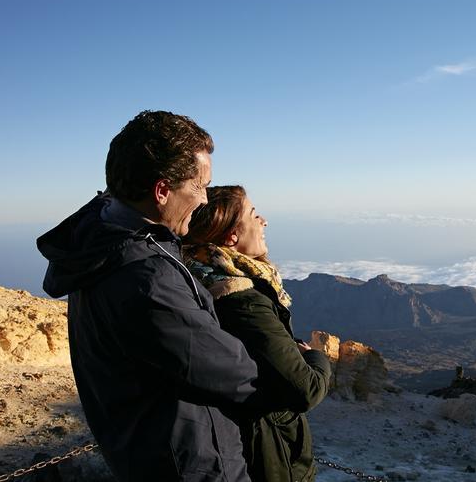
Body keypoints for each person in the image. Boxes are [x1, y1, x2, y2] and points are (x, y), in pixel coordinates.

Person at [37, 111, 260, 481]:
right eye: (201, 185)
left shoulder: (103, 246)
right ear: (161, 191)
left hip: (149, 456)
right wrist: (294, 367)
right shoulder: (143, 276)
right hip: (188, 465)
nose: (205, 199)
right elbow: (230, 372)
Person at [182, 185, 332, 482]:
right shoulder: (241, 301)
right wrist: (316, 356)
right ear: (231, 237)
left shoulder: (194, 278)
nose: (263, 221)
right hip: (268, 455)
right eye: (253, 214)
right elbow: (306, 390)